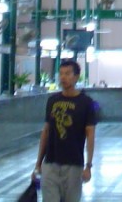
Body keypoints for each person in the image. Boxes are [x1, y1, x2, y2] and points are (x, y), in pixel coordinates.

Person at [33, 59, 97, 202]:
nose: (63, 77)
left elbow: (90, 134)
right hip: (51, 162)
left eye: (68, 74)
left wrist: (88, 166)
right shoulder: (52, 100)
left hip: (74, 164)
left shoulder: (86, 103)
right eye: (61, 74)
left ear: (76, 77)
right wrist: (38, 164)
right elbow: (46, 131)